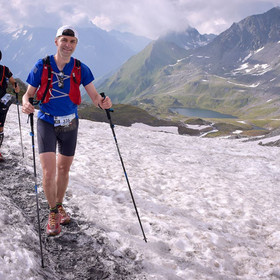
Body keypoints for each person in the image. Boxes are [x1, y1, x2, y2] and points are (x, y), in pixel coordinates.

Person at [22, 25, 112, 236]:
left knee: (63, 170)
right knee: (49, 171)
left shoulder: (81, 68)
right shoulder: (42, 65)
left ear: (76, 45)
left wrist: (104, 102)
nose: (68, 45)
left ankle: (59, 205)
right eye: (64, 40)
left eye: (72, 42)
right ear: (56, 41)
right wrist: (27, 104)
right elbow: (28, 95)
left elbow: (95, 98)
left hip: (70, 123)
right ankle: (53, 212)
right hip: (46, 121)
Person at [0, 50, 20, 161]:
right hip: (2, 102)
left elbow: (13, 82)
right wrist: (15, 87)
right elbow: (13, 81)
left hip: (1, 102)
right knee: (0, 126)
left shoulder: (4, 70)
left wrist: (15, 86)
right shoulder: (5, 69)